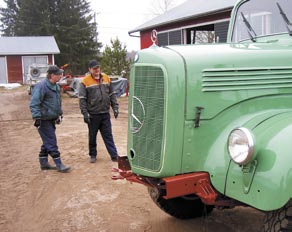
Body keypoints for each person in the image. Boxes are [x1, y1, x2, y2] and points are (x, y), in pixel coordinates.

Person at [30, 65, 71, 173]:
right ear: (52, 75)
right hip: (43, 119)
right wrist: (37, 117)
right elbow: (34, 103)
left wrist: (59, 114)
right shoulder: (41, 87)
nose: (61, 76)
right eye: (59, 74)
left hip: (51, 118)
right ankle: (59, 164)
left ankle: (44, 163)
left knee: (47, 140)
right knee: (51, 140)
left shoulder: (56, 86)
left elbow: (58, 102)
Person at [78, 60, 119, 163]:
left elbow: (112, 94)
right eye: (94, 68)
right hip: (93, 114)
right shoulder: (84, 82)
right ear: (90, 69)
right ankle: (93, 155)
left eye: (98, 68)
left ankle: (114, 155)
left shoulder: (106, 78)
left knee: (108, 135)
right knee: (92, 135)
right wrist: (85, 113)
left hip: (105, 113)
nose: (97, 70)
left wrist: (115, 107)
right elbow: (82, 98)